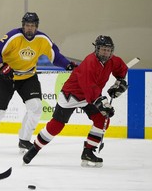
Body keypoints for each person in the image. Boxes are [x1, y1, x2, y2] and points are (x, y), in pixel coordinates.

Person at [0, 12, 77, 151]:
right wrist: (2, 66)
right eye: (27, 25)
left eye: (32, 26)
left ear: (37, 27)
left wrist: (67, 65)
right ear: (23, 26)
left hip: (28, 77)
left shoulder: (42, 39)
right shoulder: (13, 36)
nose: (29, 28)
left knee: (36, 107)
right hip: (6, 77)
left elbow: (55, 56)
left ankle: (24, 140)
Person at [23, 35, 128, 167]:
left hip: (90, 96)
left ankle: (88, 151)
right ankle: (35, 148)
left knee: (102, 120)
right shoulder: (90, 62)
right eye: (103, 50)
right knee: (56, 125)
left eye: (108, 50)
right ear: (96, 49)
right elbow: (89, 87)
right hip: (71, 95)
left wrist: (120, 81)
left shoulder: (112, 60)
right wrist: (103, 104)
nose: (105, 53)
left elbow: (121, 69)